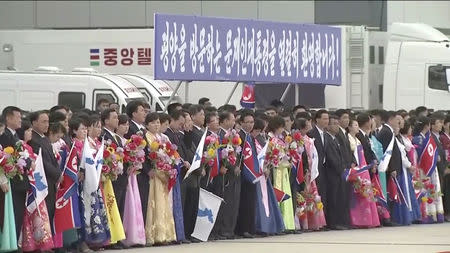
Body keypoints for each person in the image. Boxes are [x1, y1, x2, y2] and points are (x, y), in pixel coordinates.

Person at [145, 112, 177, 245]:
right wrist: (151, 168)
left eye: (158, 122)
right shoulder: (146, 137)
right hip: (154, 175)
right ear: (147, 125)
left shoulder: (163, 137)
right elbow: (147, 155)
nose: (156, 125)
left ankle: (165, 234)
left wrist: (170, 166)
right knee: (154, 203)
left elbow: (171, 153)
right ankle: (155, 235)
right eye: (153, 123)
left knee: (164, 204)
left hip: (164, 173)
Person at [28, 111, 63, 235]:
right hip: (43, 181)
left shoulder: (44, 138)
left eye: (48, 121)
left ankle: (48, 241)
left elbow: (53, 160)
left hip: (51, 181)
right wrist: (57, 174)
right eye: (43, 121)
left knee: (50, 211)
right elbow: (42, 162)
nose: (47, 124)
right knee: (43, 212)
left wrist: (58, 173)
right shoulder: (33, 139)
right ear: (34, 122)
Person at [0, 106, 29, 243]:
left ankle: (14, 242)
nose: (20, 120)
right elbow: (12, 157)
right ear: (8, 118)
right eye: (18, 117)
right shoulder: (4, 135)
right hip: (12, 181)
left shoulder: (14, 134)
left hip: (19, 182)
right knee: (12, 215)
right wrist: (28, 162)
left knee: (17, 215)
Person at [292, 118, 326, 231]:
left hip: (309, 171)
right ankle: (302, 222)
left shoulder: (308, 139)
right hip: (301, 171)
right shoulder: (298, 140)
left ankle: (312, 222)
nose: (310, 125)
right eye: (308, 124)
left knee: (310, 196)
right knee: (303, 195)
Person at [99, 109, 126, 247]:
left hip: (119, 176)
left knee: (119, 205)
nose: (117, 120)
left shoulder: (115, 136)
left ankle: (117, 235)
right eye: (114, 118)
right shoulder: (103, 135)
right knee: (109, 206)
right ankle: (110, 236)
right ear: (106, 120)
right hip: (109, 176)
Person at [347, 119, 380, 228]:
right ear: (350, 127)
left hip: (363, 168)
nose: (357, 127)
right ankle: (357, 220)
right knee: (356, 194)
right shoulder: (349, 139)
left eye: (357, 124)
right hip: (356, 168)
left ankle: (366, 219)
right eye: (355, 125)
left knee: (365, 192)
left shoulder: (358, 140)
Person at [125, 100, 151, 223]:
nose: (144, 113)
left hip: (145, 171)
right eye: (141, 110)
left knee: (144, 201)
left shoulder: (142, 129)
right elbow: (137, 152)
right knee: (138, 200)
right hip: (138, 171)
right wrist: (147, 169)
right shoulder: (131, 129)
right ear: (134, 113)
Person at [324, 115, 350, 230]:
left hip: (340, 173)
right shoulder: (327, 139)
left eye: (337, 123)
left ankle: (341, 221)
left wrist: (344, 167)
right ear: (328, 126)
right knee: (333, 198)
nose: (336, 126)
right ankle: (333, 222)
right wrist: (340, 168)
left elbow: (342, 156)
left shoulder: (336, 139)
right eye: (333, 123)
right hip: (332, 173)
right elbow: (331, 157)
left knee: (340, 197)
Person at [235, 109, 257, 238]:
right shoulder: (239, 136)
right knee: (244, 202)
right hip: (243, 174)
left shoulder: (250, 136)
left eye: (252, 122)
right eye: (247, 122)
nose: (249, 125)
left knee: (250, 201)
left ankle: (249, 227)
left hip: (252, 174)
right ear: (241, 123)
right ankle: (242, 229)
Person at [307, 110, 329, 215]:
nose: (327, 121)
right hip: (315, 168)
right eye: (324, 119)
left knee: (323, 193)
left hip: (324, 168)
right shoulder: (311, 133)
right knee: (315, 193)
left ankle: (322, 218)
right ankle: (316, 217)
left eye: (327, 119)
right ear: (317, 120)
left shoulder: (326, 134)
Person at [440, 115, 450, 221]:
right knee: (446, 190)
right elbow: (445, 154)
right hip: (447, 166)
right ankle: (447, 212)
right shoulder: (442, 138)